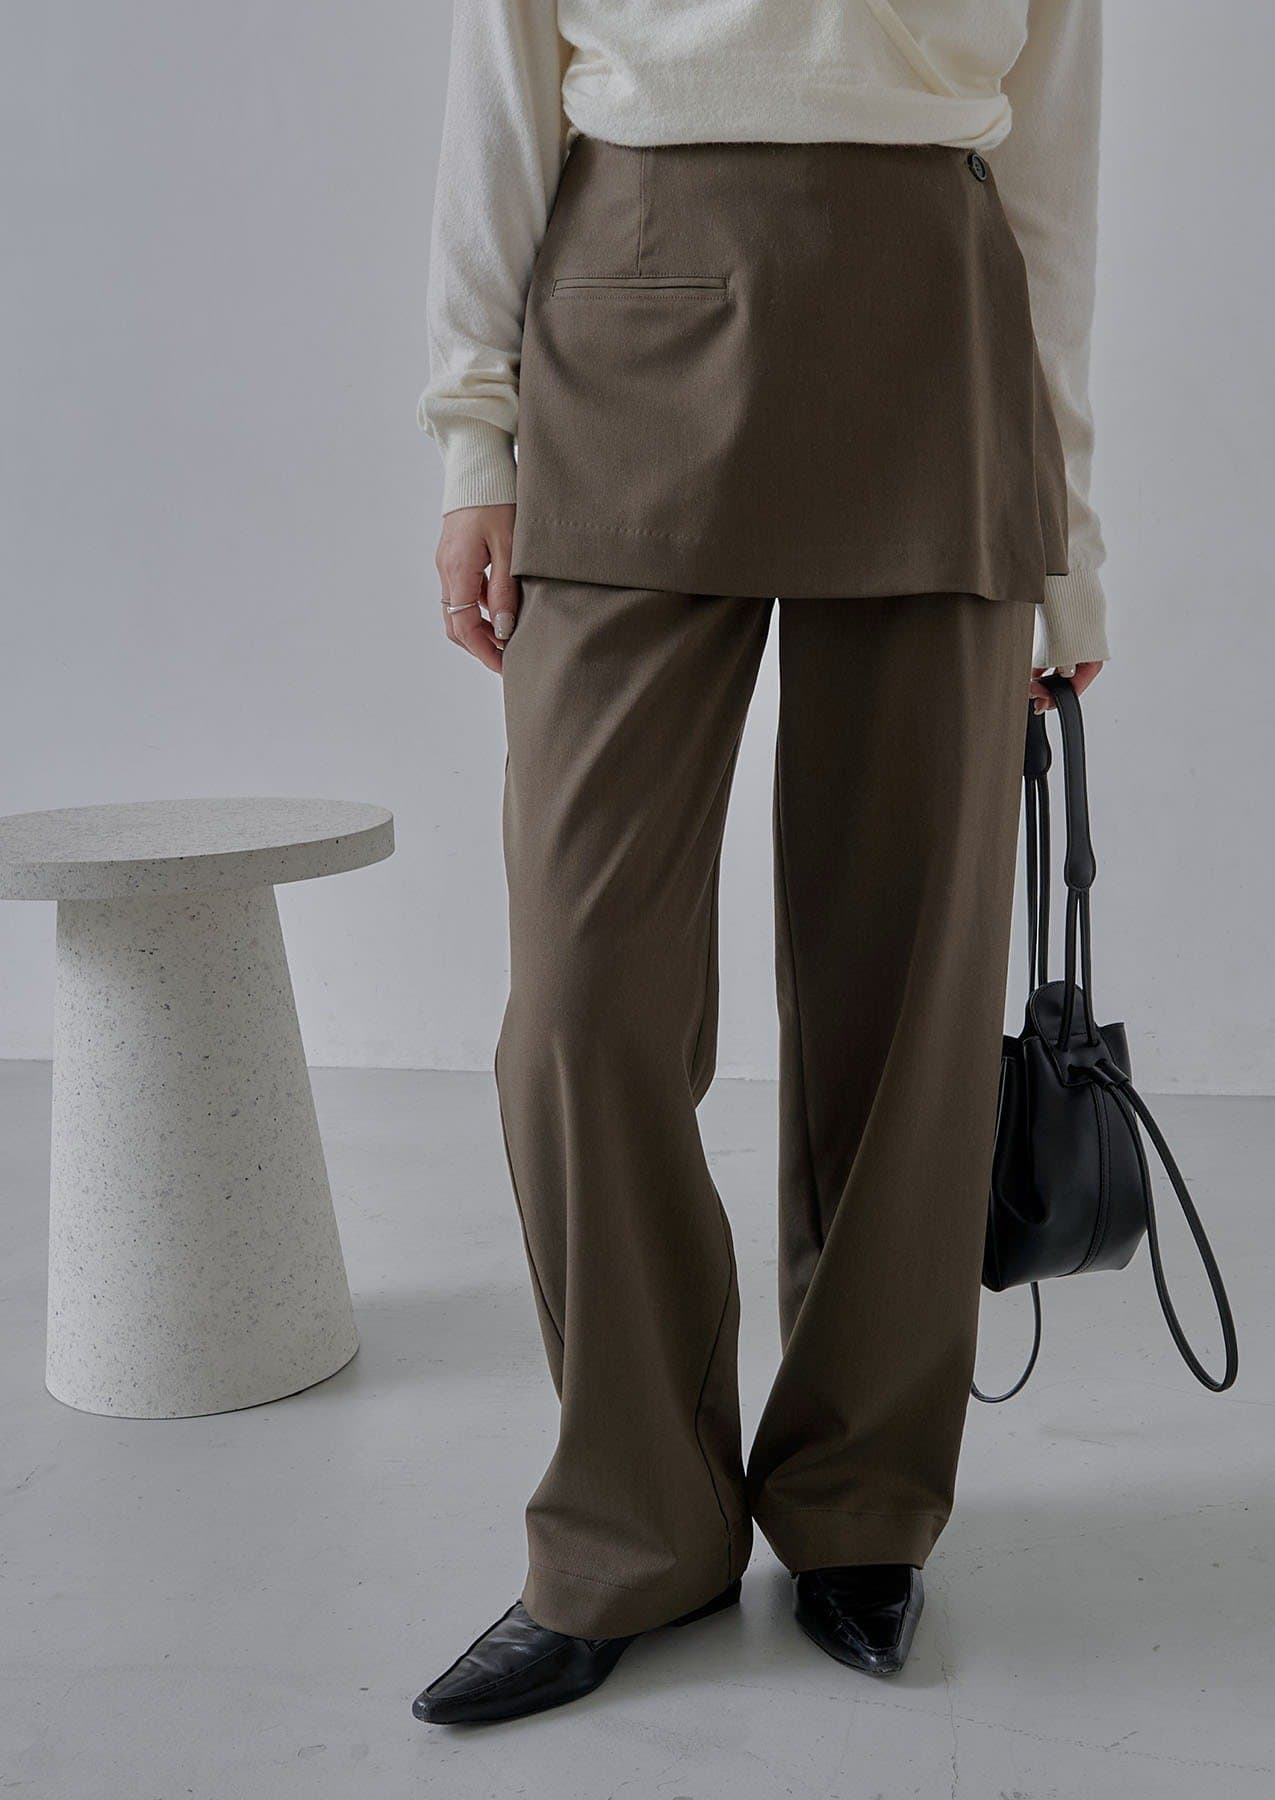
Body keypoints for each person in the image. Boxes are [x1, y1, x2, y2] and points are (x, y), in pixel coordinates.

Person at [412, 0, 1107, 1726]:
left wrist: (1069, 534)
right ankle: (633, 1527)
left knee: (906, 996)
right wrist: (473, 439)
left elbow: (1051, 176)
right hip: (625, 328)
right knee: (581, 1002)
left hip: (938, 353)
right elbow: (498, 96)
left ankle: (862, 1506)